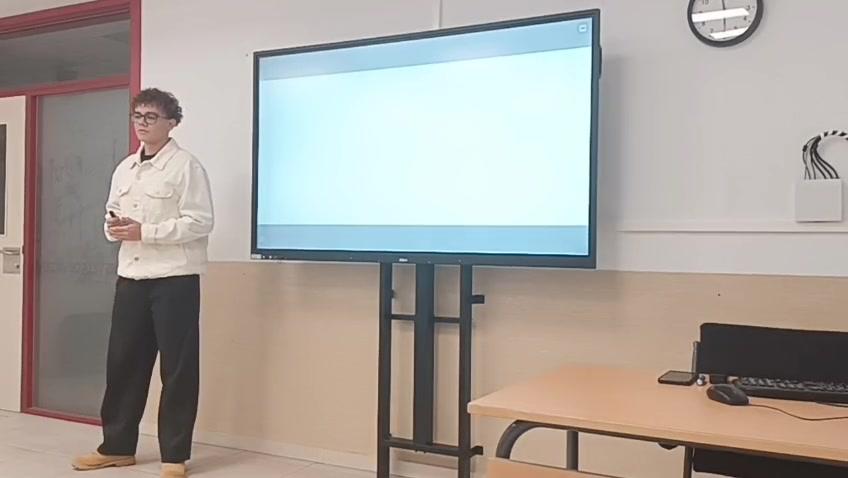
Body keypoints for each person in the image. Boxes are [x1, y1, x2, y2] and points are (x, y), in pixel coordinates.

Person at [72, 88, 214, 478]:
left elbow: (201, 221)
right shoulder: (125, 168)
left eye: (151, 116)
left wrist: (145, 231)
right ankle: (116, 447)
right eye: (138, 116)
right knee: (123, 364)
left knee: (178, 369)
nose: (142, 123)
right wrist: (115, 227)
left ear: (172, 123)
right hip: (131, 277)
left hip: (175, 279)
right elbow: (111, 215)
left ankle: (174, 456)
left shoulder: (186, 166)